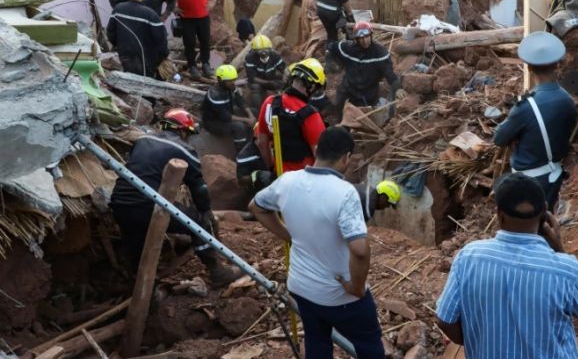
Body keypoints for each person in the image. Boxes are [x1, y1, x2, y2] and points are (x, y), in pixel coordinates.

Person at [250, 127, 384, 358]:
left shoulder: (287, 181)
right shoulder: (345, 193)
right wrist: (357, 287)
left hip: (302, 288)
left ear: (315, 150)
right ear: (346, 158)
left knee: (317, 343)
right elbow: (360, 251)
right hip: (339, 295)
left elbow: (256, 207)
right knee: (370, 347)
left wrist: (288, 236)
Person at [435, 173, 578, 358]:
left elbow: (445, 320)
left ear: (499, 214)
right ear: (545, 212)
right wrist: (559, 247)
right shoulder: (565, 269)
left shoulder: (469, 257)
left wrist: (478, 341)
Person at [109, 109, 242, 287]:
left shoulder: (142, 140)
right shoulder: (183, 149)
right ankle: (218, 272)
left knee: (136, 247)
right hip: (148, 205)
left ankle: (140, 286)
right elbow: (199, 188)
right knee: (198, 225)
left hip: (119, 203)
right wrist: (205, 211)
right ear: (182, 131)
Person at [493, 32, 577, 211]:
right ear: (556, 65)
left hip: (529, 182)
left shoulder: (526, 106)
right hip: (554, 176)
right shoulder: (567, 99)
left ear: (529, 68)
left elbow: (499, 139)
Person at [257, 59, 327, 173]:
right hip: (304, 177)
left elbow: (262, 142)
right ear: (311, 86)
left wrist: (271, 168)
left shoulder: (269, 102)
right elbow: (321, 155)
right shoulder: (310, 114)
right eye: (317, 88)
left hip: (279, 176)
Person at [331, 21, 405, 117]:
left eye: (366, 37)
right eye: (361, 38)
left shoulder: (380, 53)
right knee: (338, 107)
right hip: (348, 89)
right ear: (356, 39)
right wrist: (332, 61)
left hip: (368, 93)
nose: (364, 41)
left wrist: (397, 88)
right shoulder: (349, 49)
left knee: (364, 118)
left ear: (371, 35)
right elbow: (332, 47)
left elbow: (389, 73)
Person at [107, 0, 168, 77]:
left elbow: (110, 32)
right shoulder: (151, 15)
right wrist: (161, 58)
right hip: (146, 61)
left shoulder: (118, 9)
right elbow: (161, 40)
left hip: (124, 57)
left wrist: (118, 46)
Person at [202, 65, 255, 153]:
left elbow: (240, 101)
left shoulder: (229, 87)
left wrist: (251, 115)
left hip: (226, 114)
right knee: (239, 126)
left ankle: (250, 141)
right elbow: (225, 117)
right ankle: (241, 152)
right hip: (214, 123)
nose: (233, 82)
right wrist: (246, 120)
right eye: (230, 81)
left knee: (253, 111)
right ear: (220, 80)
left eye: (234, 79)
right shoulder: (215, 94)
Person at [245, 34, 286, 115]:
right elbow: (252, 77)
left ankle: (284, 108)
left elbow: (284, 69)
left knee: (286, 82)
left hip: (271, 78)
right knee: (255, 87)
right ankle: (260, 112)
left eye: (266, 50)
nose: (263, 52)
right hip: (259, 82)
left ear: (270, 48)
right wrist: (268, 83)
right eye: (260, 50)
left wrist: (285, 82)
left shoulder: (274, 55)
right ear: (255, 50)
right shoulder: (250, 57)